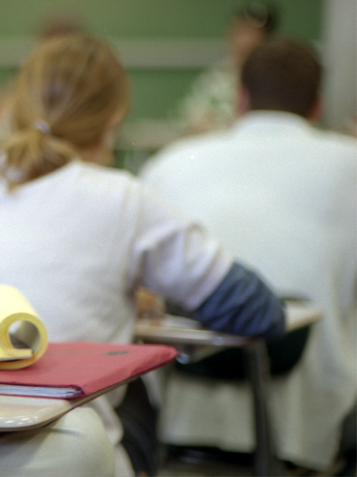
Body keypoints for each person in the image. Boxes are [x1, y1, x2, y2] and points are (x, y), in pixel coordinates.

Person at [0, 33, 287, 476]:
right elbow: (258, 311)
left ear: (16, 106)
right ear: (113, 121)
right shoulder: (124, 199)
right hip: (54, 454)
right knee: (137, 391)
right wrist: (153, 299)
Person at [140, 36, 356, 473]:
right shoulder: (349, 164)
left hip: (178, 425)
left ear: (240, 99)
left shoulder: (169, 162)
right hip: (308, 430)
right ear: (317, 106)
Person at [174, 1, 279, 134]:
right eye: (240, 31)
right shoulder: (217, 77)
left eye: (252, 33)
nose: (244, 41)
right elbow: (189, 118)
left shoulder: (276, 79)